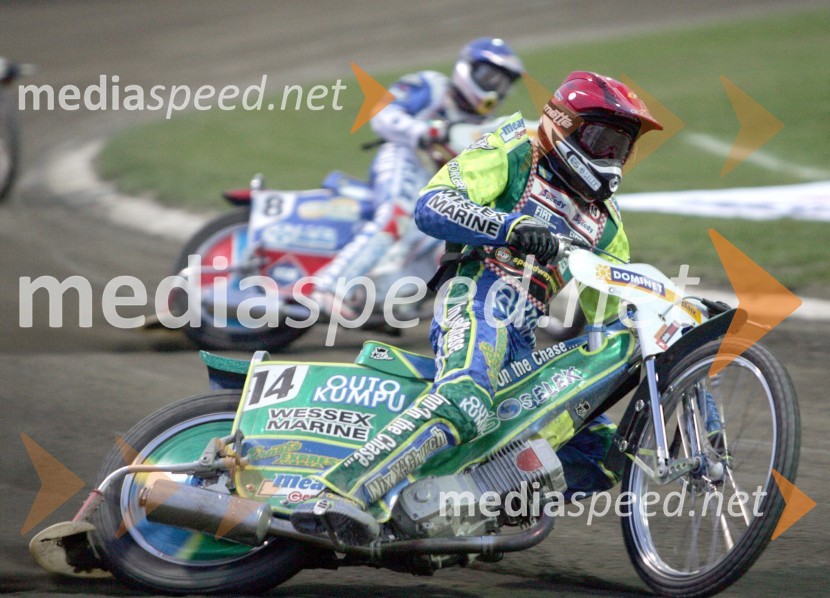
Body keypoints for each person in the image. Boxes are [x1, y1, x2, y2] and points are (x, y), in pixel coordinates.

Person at [292, 71, 663, 544]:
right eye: (601, 140)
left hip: (525, 333)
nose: (610, 157)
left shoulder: (607, 224)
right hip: (477, 293)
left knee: (604, 455)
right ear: (565, 125)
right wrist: (508, 226)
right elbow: (432, 204)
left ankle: (456, 509)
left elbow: (611, 317)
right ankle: (338, 495)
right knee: (466, 398)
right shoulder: (517, 148)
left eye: (620, 147)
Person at [310, 37, 524, 315]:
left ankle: (387, 302)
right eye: (489, 77)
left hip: (435, 185)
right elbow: (382, 113)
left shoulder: (486, 126)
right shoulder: (432, 86)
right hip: (404, 157)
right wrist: (424, 131)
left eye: (502, 83)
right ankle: (328, 287)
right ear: (467, 68)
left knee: (444, 238)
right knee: (395, 215)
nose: (495, 87)